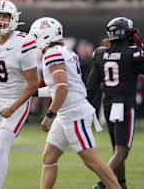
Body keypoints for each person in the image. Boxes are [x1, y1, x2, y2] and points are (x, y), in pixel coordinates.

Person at [29, 17, 121, 189]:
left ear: (45, 36)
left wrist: (49, 115)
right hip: (68, 112)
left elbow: (62, 88)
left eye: (35, 36)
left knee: (91, 160)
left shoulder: (52, 54)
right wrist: (31, 93)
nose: (34, 41)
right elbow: (58, 88)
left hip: (74, 113)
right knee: (48, 157)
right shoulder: (65, 52)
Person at [87, 17, 144, 189]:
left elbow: (91, 88)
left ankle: (121, 185)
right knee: (122, 152)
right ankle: (101, 184)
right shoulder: (133, 54)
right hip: (124, 105)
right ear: (126, 33)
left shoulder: (100, 54)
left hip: (108, 105)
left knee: (117, 151)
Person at [0, 0, 39, 189]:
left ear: (14, 19)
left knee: (2, 146)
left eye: (5, 16)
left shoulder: (23, 42)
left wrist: (13, 107)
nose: (1, 20)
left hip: (17, 100)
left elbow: (33, 83)